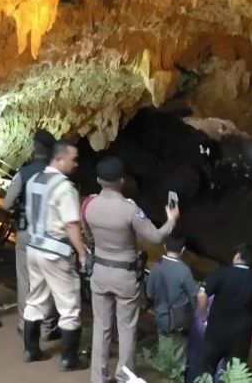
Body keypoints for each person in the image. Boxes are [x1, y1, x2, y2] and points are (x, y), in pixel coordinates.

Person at [85, 156, 179, 383]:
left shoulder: (88, 205)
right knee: (126, 328)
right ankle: (124, 375)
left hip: (99, 271)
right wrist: (172, 220)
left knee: (102, 327)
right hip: (124, 275)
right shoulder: (131, 210)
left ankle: (98, 377)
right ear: (122, 180)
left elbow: (88, 236)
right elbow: (155, 236)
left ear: (98, 179)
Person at [21, 140, 89, 371]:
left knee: (36, 298)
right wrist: (82, 252)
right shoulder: (65, 188)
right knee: (69, 305)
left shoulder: (33, 180)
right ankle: (69, 359)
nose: (76, 163)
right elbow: (71, 225)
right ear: (59, 159)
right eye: (73, 159)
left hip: (34, 247)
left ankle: (31, 350)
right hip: (55, 252)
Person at [2, 128, 59, 336]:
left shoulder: (24, 172)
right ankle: (47, 326)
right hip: (49, 234)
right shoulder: (57, 174)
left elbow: (8, 203)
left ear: (34, 148)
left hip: (27, 232)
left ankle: (25, 324)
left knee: (25, 279)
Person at [195, 243, 252, 379]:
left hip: (215, 332)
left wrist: (203, 317)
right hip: (241, 338)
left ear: (238, 256)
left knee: (206, 370)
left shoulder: (222, 273)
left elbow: (201, 294)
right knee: (232, 376)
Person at [145, 234, 197, 337]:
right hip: (180, 320)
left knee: (164, 347)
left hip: (161, 317)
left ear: (164, 246)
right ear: (183, 250)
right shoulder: (184, 270)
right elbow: (193, 297)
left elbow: (149, 293)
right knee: (179, 347)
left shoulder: (156, 267)